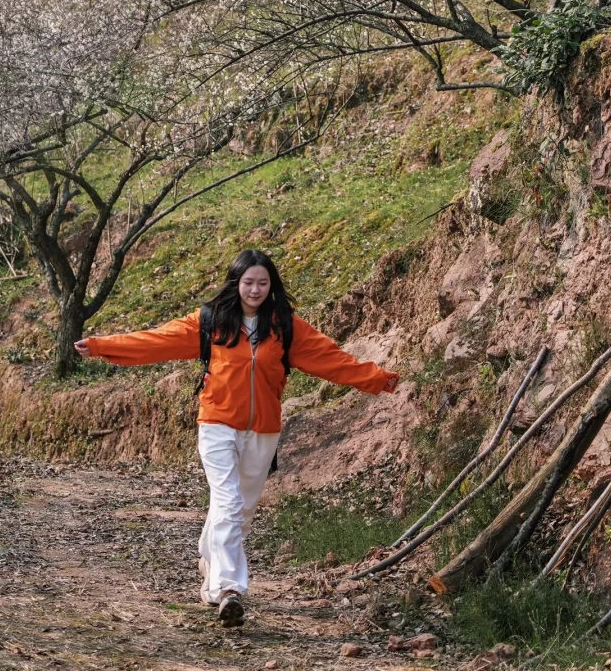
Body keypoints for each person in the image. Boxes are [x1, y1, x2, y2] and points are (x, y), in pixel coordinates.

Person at [75, 248, 398, 627]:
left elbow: (331, 359)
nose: (255, 289)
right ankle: (230, 589)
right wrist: (101, 346)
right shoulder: (211, 321)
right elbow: (156, 341)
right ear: (236, 283)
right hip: (216, 424)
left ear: (271, 285)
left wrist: (381, 379)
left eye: (263, 282)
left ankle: (211, 566)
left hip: (264, 430)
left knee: (240, 512)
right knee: (228, 502)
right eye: (249, 282)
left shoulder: (285, 327)